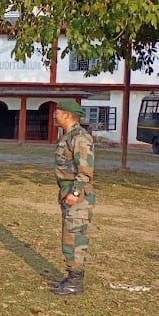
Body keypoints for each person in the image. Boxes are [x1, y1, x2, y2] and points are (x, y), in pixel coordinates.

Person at [52, 100, 96, 296]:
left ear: (67, 115)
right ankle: (71, 276)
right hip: (67, 192)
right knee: (69, 237)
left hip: (77, 196)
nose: (55, 115)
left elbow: (85, 170)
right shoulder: (69, 136)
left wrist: (75, 192)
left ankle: (76, 282)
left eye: (58, 112)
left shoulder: (80, 137)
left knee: (75, 238)